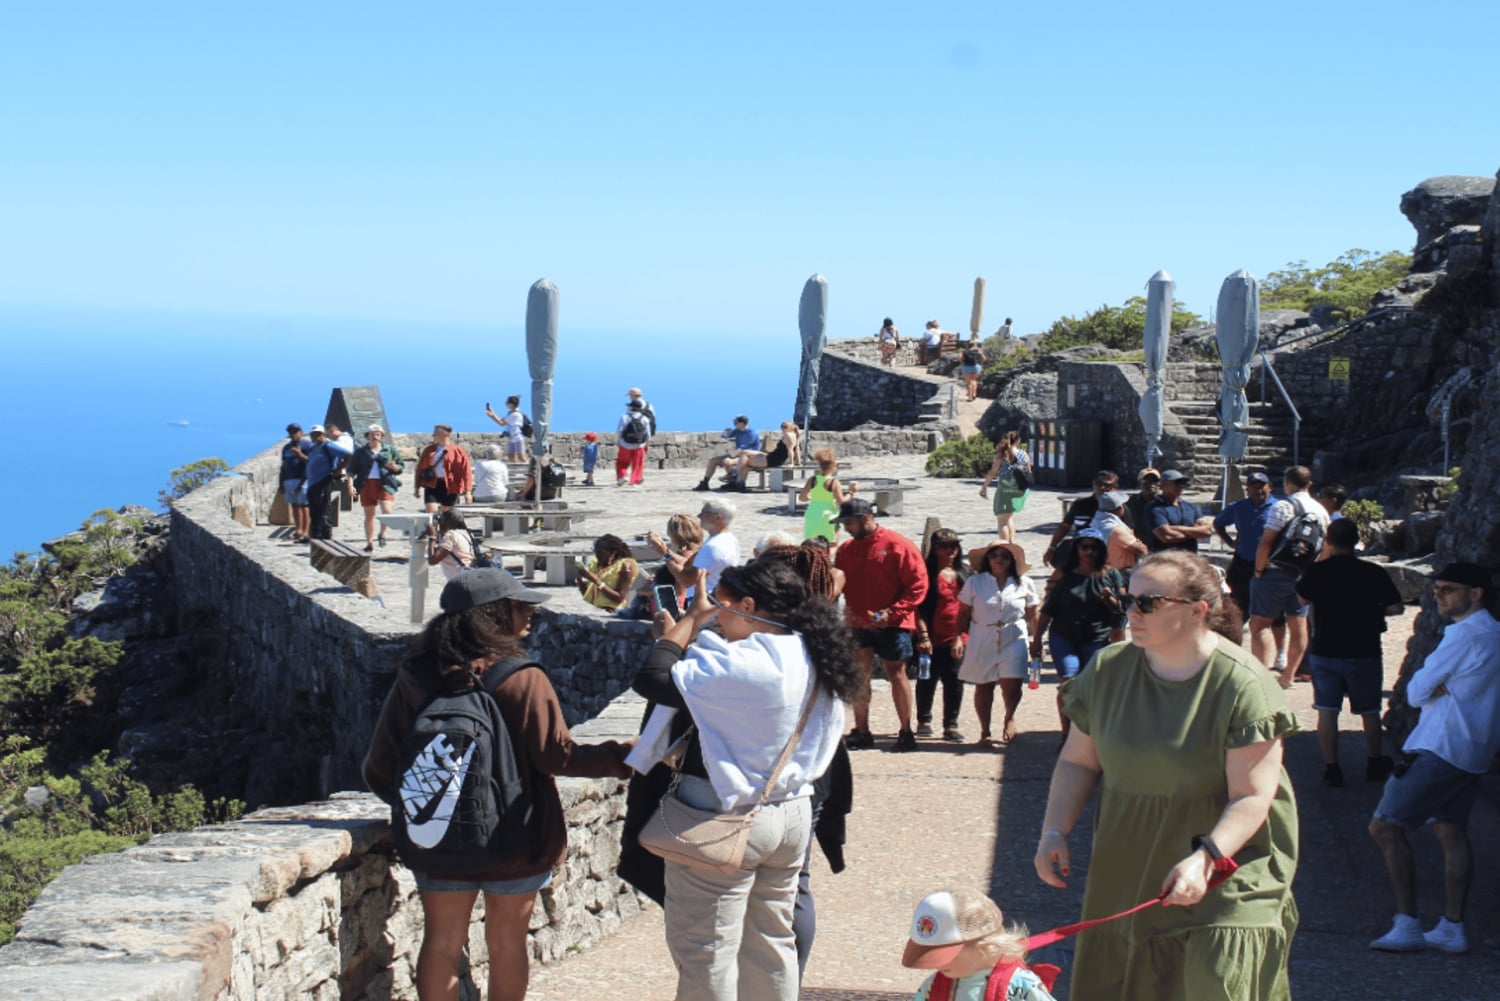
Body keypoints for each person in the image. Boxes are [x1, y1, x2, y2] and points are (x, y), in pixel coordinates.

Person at [1035, 551, 1299, 1000]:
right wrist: (1053, 831)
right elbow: (1079, 761)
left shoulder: (1243, 684)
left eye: (1148, 602)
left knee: (1213, 981)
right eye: (1128, 600)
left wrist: (1205, 859)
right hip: (1130, 859)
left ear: (1198, 611)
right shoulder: (1109, 668)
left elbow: (1252, 796)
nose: (1132, 613)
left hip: (1227, 863)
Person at [362, 569, 632, 1001]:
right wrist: (627, 757)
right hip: (516, 838)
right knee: (507, 943)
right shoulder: (522, 677)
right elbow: (557, 756)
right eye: (521, 606)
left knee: (441, 942)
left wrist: (424, 813)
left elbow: (380, 764)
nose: (531, 615)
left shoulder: (416, 676)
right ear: (493, 615)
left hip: (439, 839)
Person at [631, 558, 858, 1001]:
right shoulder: (813, 651)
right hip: (791, 812)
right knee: (771, 944)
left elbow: (654, 677)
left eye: (721, 605)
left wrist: (688, 622)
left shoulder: (744, 663)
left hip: (725, 815)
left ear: (748, 606)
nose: (717, 615)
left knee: (707, 950)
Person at [1367, 562, 1500, 955]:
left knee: (1385, 827)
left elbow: (1416, 691)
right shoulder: (1493, 633)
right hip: (1473, 749)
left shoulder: (1465, 635)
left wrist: (1436, 685)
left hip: (1440, 746)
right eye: (1437, 588)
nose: (1438, 596)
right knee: (1451, 831)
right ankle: (1451, 927)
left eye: (1448, 589)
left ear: (1476, 594)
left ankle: (1407, 922)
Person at [1295, 518, 1404, 787]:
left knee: (1327, 710)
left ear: (1328, 541)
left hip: (1325, 649)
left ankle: (1332, 768)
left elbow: (1302, 598)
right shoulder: (1373, 572)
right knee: (1370, 711)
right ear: (1357, 541)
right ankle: (1374, 761)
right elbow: (1396, 607)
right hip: (1364, 650)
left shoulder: (1317, 571)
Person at [834, 499, 928, 751]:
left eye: (849, 522)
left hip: (893, 623)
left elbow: (918, 584)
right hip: (857, 622)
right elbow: (836, 582)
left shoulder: (898, 545)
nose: (846, 528)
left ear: (865, 518)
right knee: (859, 675)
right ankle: (862, 731)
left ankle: (906, 731)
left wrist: (895, 612)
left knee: (896, 673)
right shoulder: (845, 550)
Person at [1030, 533, 1126, 739]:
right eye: (1085, 547)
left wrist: (1110, 601)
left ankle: (1089, 732)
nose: (1089, 551)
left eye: (1094, 547)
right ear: (1077, 549)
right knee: (1068, 682)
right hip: (1064, 636)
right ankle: (1067, 733)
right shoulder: (1063, 574)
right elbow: (1047, 610)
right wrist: (1037, 640)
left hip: (1097, 637)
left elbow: (1123, 608)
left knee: (1093, 685)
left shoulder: (1111, 574)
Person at [901, 889, 1058, 1001]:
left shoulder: (1019, 984)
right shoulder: (935, 985)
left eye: (944, 956)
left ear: (985, 945)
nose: (938, 964)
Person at [1250, 465, 1330, 684]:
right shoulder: (1321, 511)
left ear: (1288, 483)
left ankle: (1262, 677)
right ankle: (1288, 677)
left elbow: (1266, 543)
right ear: (1309, 484)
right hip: (1303, 575)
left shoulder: (1283, 506)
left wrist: (1259, 570)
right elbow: (1326, 547)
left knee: (1260, 624)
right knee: (1299, 625)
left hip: (1274, 572)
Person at [957, 541, 1038, 745]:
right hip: (982, 634)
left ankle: (1009, 716)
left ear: (1012, 560)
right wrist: (958, 636)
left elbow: (1032, 614)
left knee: (1013, 683)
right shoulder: (975, 582)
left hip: (1014, 635)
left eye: (1004, 556)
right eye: (994, 555)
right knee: (984, 684)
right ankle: (985, 730)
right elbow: (963, 612)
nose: (999, 560)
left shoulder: (1024, 583)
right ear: (987, 559)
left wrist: (1037, 641)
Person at [914, 529, 969, 743]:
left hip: (958, 635)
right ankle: (924, 720)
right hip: (931, 634)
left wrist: (960, 636)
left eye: (953, 546)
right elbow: (918, 607)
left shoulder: (965, 573)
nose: (949, 550)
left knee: (954, 679)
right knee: (927, 677)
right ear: (935, 549)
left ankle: (951, 724)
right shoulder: (926, 575)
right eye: (944, 546)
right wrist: (923, 636)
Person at [1213, 470, 1278, 620]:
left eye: (1261, 486)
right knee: (1235, 603)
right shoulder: (1238, 507)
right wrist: (1230, 542)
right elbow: (1218, 523)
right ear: (1247, 489)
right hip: (1243, 561)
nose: (1258, 490)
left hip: (1269, 564)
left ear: (1270, 487)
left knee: (1269, 608)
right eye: (1253, 486)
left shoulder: (1279, 507)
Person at [1042, 470, 1127, 569]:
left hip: (1107, 555)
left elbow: (1129, 533)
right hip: (1081, 552)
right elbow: (1065, 526)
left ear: (1115, 488)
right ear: (1093, 484)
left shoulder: (1119, 508)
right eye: (1099, 484)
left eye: (1107, 485)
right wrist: (1051, 548)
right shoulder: (1081, 505)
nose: (1102, 488)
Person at [349, 424, 404, 552]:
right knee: (369, 515)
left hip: (385, 483)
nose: (375, 436)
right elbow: (351, 470)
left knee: (387, 511)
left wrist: (395, 467)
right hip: (367, 484)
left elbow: (400, 466)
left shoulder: (389, 450)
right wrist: (350, 485)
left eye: (378, 434)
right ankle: (369, 542)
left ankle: (382, 533)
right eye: (372, 434)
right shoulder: (361, 452)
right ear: (367, 436)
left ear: (381, 436)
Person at [978, 431, 1032, 543]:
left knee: (1002, 520)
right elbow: (1029, 472)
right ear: (1018, 441)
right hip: (1019, 490)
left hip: (1005, 489)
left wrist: (984, 486)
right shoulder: (1024, 454)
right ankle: (1011, 542)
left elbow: (993, 472)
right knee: (1009, 517)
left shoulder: (1003, 454)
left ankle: (1004, 544)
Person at [304, 423, 354, 541]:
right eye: (313, 435)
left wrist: (338, 469)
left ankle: (326, 534)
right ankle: (315, 534)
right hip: (312, 482)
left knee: (323, 507)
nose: (315, 437)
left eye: (318, 434)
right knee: (314, 508)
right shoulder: (312, 448)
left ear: (323, 435)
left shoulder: (328, 446)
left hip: (324, 479)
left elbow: (348, 454)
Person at [1147, 469, 1214, 553]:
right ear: (1164, 485)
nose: (1180, 486)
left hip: (1189, 557)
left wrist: (1177, 528)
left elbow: (1207, 531)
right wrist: (1194, 533)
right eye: (1177, 482)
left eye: (1182, 483)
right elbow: (1167, 537)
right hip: (1166, 558)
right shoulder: (1155, 509)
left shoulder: (1191, 507)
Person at [799, 447, 854, 543]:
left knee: (811, 544)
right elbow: (841, 502)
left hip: (813, 514)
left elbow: (802, 498)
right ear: (833, 466)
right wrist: (851, 492)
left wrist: (813, 498)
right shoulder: (834, 482)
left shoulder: (812, 480)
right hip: (829, 515)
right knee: (831, 544)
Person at [414, 425, 473, 513]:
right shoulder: (428, 450)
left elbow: (466, 472)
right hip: (432, 484)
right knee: (431, 513)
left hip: (451, 485)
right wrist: (417, 487)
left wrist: (468, 492)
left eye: (435, 433)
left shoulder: (458, 451)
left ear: (445, 435)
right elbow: (420, 469)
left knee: (447, 515)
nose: (433, 435)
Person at [694, 415, 761, 491]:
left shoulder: (752, 433)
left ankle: (733, 480)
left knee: (727, 461)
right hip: (737, 454)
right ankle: (705, 483)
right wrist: (726, 432)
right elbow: (725, 436)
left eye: (736, 423)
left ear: (742, 423)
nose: (734, 424)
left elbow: (743, 448)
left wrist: (732, 456)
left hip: (748, 456)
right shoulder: (737, 431)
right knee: (713, 461)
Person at [728, 421, 801, 489]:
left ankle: (735, 477)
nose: (782, 428)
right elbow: (797, 449)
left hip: (773, 460)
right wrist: (798, 462)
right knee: (744, 452)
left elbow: (790, 450)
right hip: (771, 456)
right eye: (782, 426)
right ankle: (738, 480)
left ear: (791, 427)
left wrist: (791, 463)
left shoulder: (788, 435)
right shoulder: (795, 435)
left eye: (785, 427)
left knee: (745, 460)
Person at [1088, 490, 1148, 573]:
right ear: (1119, 509)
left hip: (1101, 571)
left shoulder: (1093, 524)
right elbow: (1142, 550)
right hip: (1121, 573)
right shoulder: (1116, 529)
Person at [576, 534, 639, 612]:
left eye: (601, 552)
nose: (598, 555)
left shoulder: (626, 565)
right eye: (596, 552)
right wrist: (579, 579)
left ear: (613, 552)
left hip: (614, 611)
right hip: (595, 610)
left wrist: (597, 582)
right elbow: (588, 596)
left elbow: (619, 598)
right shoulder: (596, 564)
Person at [691, 498, 741, 594]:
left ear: (718, 518)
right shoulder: (731, 539)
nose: (699, 516)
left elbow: (688, 580)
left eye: (704, 513)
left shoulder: (712, 546)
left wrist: (666, 555)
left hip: (699, 598)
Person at [279, 423, 312, 542]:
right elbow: (283, 466)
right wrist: (281, 483)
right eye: (291, 432)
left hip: (303, 478)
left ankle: (305, 532)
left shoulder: (307, 445)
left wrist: (300, 454)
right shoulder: (286, 448)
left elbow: (312, 462)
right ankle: (298, 530)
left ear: (301, 432)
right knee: (295, 505)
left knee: (304, 506)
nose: (293, 434)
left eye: (295, 432)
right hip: (289, 479)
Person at [427, 508, 477, 580]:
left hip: (460, 579)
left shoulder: (450, 536)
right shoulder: (466, 533)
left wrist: (432, 537)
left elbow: (433, 561)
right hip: (471, 573)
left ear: (444, 522)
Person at [616, 399, 651, 487]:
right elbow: (648, 434)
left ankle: (622, 476)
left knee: (622, 462)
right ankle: (634, 481)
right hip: (639, 445)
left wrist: (619, 441)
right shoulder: (645, 418)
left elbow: (619, 431)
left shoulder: (624, 416)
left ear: (631, 407)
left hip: (625, 444)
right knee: (638, 464)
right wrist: (647, 444)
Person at [485, 396, 528, 463]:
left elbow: (501, 423)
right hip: (511, 438)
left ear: (512, 404)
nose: (506, 404)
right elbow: (500, 421)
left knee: (521, 457)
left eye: (507, 402)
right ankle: (515, 468)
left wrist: (491, 415)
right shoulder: (510, 413)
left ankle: (529, 468)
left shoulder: (515, 414)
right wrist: (492, 412)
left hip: (517, 438)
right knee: (511, 456)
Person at [1124, 467, 1161, 536]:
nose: (1150, 484)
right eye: (1145, 481)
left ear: (1159, 483)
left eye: (1154, 480)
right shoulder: (1129, 503)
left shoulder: (1165, 503)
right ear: (1139, 483)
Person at [959, 334, 985, 402]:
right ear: (974, 345)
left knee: (969, 382)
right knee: (974, 380)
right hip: (976, 367)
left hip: (967, 366)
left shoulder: (964, 351)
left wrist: (962, 362)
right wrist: (980, 362)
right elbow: (984, 358)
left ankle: (970, 397)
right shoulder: (977, 351)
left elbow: (960, 358)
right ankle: (974, 394)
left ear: (967, 345)